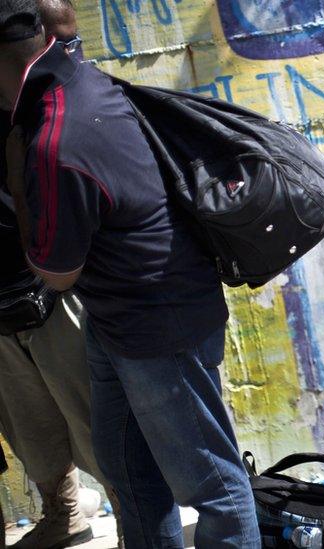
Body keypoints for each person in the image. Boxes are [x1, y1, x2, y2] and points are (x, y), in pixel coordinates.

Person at [0, 0, 260, 546]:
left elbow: (56, 273)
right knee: (130, 474)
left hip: (157, 328)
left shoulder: (52, 142)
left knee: (212, 486)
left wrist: (19, 187)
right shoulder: (84, 82)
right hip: (118, 319)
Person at [0, 2, 119, 548]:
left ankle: (135, 516)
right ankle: (63, 511)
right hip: (3, 296)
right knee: (31, 431)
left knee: (97, 424)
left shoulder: (42, 93)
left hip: (51, 283)